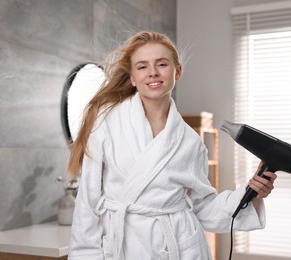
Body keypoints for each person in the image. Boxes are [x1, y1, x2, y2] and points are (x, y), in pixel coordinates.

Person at [67, 31, 277, 260]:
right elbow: (87, 202)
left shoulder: (191, 142)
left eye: (162, 64)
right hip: (121, 247)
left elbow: (203, 207)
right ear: (132, 78)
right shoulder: (106, 122)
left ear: (177, 71)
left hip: (177, 248)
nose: (153, 73)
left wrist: (251, 194)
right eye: (142, 66)